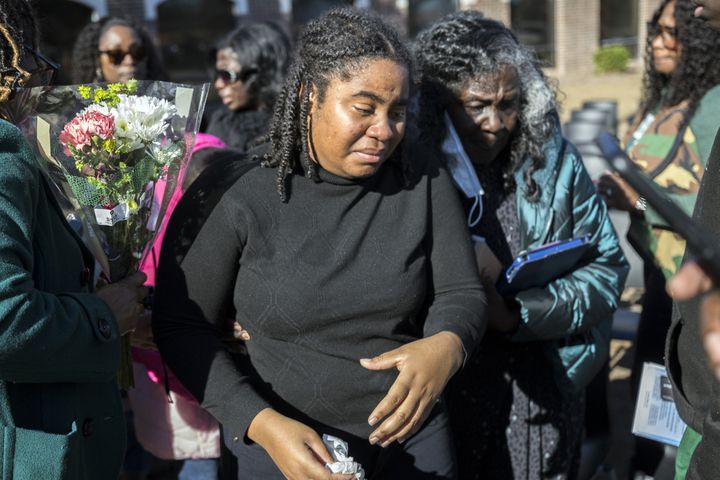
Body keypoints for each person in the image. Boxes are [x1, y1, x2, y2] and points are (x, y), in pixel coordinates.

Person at [153, 8, 486, 480]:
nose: (385, 130)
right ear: (311, 96)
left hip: (411, 439)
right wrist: (262, 425)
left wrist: (447, 346)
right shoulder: (236, 192)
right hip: (282, 447)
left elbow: (462, 292)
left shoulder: (422, 178)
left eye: (397, 112)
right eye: (364, 108)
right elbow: (181, 327)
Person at [414, 12, 628, 479]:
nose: (496, 123)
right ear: (436, 102)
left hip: (543, 389)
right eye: (476, 105)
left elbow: (608, 268)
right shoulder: (412, 171)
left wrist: (517, 314)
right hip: (447, 398)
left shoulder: (554, 162)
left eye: (508, 103)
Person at [0, 1, 148, 478]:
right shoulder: (5, 157)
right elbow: (6, 321)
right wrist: (106, 316)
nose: (41, 81)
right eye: (33, 61)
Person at [596, 1, 720, 475]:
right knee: (648, 402)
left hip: (687, 286)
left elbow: (699, 210)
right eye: (656, 29)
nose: (661, 40)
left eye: (677, 31)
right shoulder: (664, 99)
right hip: (657, 278)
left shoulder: (711, 108)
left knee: (676, 419)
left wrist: (638, 203)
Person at [204, 22, 290, 152]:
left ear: (260, 73)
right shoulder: (223, 122)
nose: (218, 84)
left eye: (226, 75)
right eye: (217, 75)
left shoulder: (293, 119)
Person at [71, 16, 168, 84]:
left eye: (137, 52)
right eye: (116, 54)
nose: (130, 61)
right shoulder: (84, 112)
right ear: (97, 60)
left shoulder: (171, 106)